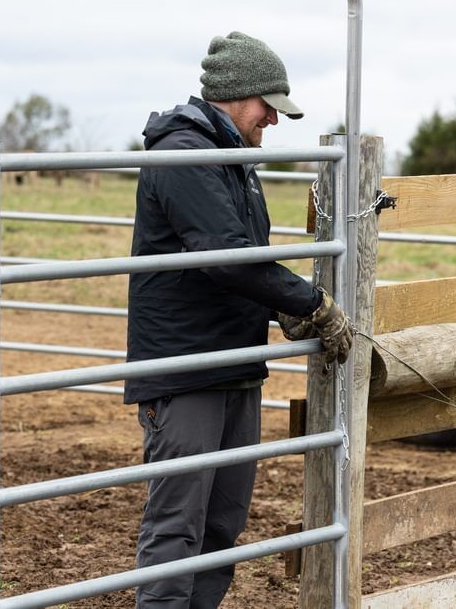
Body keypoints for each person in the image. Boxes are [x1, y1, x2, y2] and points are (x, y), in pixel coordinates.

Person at [125, 31, 352, 608]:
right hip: (186, 366)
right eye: (267, 106)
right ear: (236, 94)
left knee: (223, 524)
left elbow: (246, 256)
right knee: (178, 526)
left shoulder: (234, 161)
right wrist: (308, 302)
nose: (273, 119)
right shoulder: (186, 155)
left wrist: (277, 303)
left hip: (233, 360)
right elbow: (226, 255)